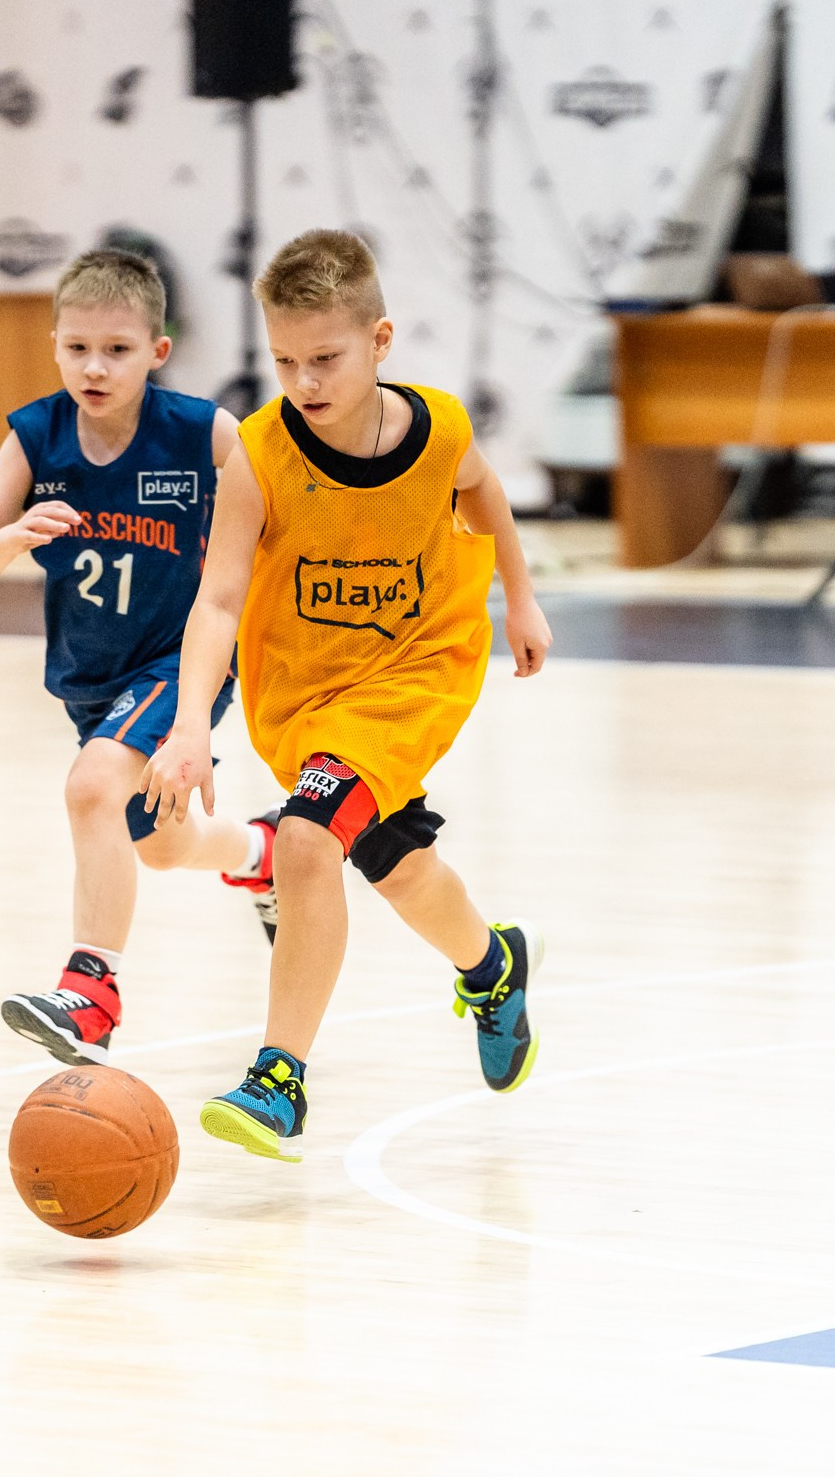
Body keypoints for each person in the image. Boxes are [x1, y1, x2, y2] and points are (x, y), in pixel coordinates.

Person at [141, 229, 553, 1161]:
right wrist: (190, 725)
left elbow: (484, 493)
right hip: (304, 694)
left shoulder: (440, 428)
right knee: (395, 864)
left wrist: (521, 597)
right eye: (285, 361)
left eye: (325, 358)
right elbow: (217, 599)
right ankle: (493, 964)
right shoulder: (258, 454)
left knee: (304, 838)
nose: (304, 381)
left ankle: (278, 1078)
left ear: (379, 340)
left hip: (416, 670)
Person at [0, 248, 279, 1066]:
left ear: (157, 351)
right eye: (77, 348)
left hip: (179, 661)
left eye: (117, 349)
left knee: (92, 786)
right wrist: (11, 536)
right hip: (92, 680)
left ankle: (91, 993)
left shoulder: (201, 431)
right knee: (159, 844)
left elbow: (277, 504)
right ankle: (260, 853)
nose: (94, 367)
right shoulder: (35, 437)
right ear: (55, 345)